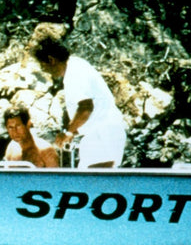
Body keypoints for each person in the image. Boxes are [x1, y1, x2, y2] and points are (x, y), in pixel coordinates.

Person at [31, 36, 127, 168]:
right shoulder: (75, 65)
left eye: (43, 66)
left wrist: (69, 132)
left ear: (51, 60)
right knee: (87, 180)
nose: (44, 71)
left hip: (103, 133)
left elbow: (86, 108)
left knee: (94, 182)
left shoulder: (74, 74)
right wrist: (70, 131)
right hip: (96, 135)